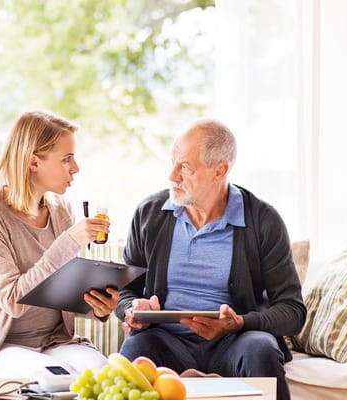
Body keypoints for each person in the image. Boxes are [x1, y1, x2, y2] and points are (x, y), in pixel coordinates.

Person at [115, 120, 306, 400]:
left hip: (235, 341)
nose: (172, 175)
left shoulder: (263, 220)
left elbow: (292, 311)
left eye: (185, 167)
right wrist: (133, 310)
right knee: (134, 352)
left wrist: (238, 322)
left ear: (220, 171)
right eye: (172, 163)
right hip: (165, 339)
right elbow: (125, 291)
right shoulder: (149, 214)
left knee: (261, 350)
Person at [0, 110, 119, 394]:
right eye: (66, 159)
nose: (75, 168)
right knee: (56, 383)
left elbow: (60, 289)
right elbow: (13, 300)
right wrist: (68, 241)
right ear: (33, 162)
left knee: (102, 375)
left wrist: (97, 307)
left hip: (55, 341)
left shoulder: (61, 210)